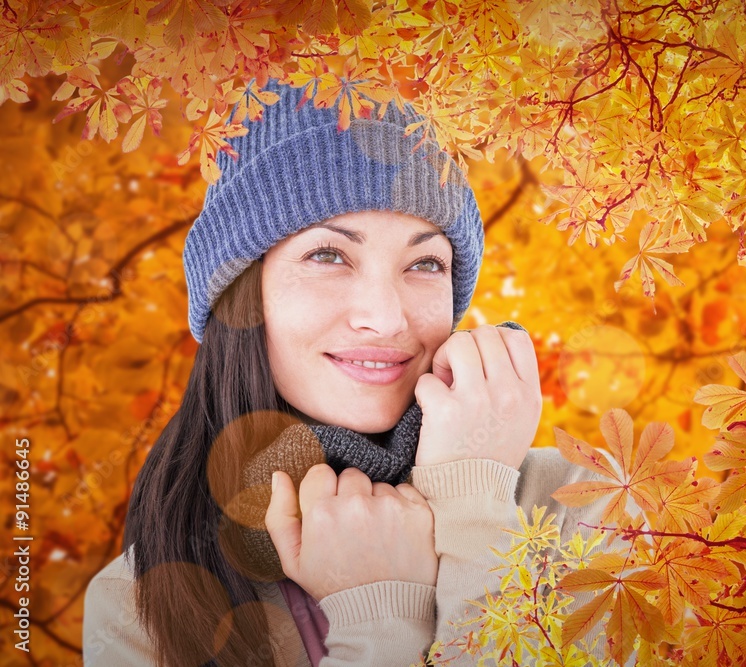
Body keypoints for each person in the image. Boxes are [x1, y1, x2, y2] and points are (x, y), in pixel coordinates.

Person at [82, 77, 633, 667]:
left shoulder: (582, 499)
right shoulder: (141, 602)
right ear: (243, 296)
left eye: (425, 263)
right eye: (327, 255)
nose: (385, 316)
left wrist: (474, 502)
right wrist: (382, 625)